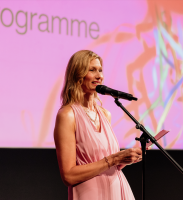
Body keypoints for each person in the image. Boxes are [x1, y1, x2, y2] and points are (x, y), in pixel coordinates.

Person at [54, 50, 144, 200]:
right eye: (92, 70)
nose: (99, 76)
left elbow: (107, 167)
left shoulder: (105, 114)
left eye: (100, 70)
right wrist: (115, 159)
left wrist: (126, 158)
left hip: (118, 191)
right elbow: (68, 176)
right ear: (78, 74)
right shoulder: (67, 115)